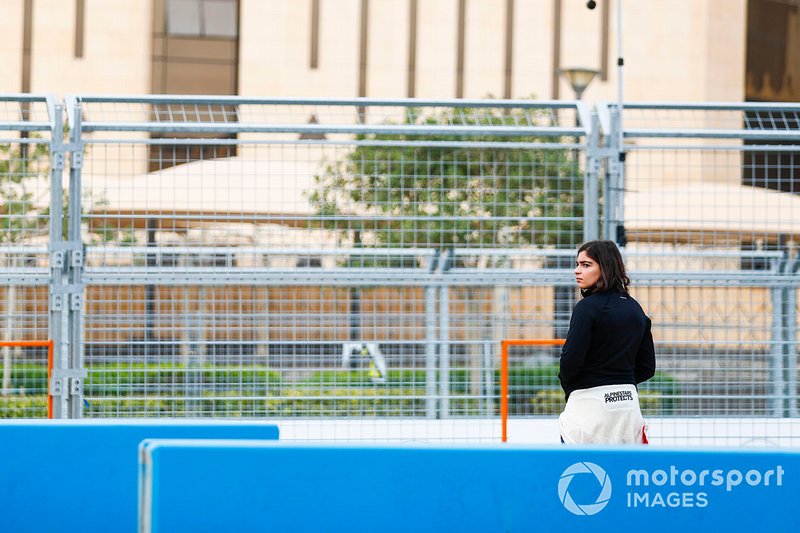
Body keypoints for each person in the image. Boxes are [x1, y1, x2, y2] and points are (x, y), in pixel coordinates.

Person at [558, 240, 656, 444]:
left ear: (605, 267)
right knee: (626, 472)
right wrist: (619, 383)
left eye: (586, 265)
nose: (577, 271)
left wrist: (576, 387)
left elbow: (570, 361)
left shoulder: (587, 308)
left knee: (579, 471)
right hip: (628, 406)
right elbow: (647, 367)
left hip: (589, 406)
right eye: (577, 264)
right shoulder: (635, 309)